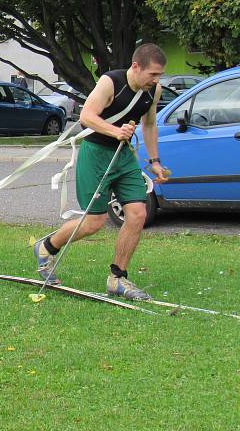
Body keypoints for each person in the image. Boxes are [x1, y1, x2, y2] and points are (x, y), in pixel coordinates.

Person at [33, 43, 169, 300]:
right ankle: (46, 247)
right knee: (94, 222)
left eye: (160, 75)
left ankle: (118, 278)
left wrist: (155, 161)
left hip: (124, 155)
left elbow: (150, 124)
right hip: (96, 153)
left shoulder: (154, 91)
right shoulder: (111, 82)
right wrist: (115, 131)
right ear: (136, 66)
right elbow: (87, 116)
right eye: (153, 74)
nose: (156, 80)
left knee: (138, 213)